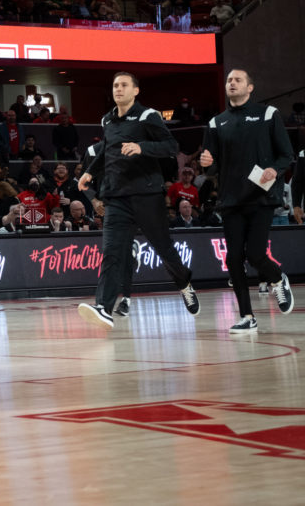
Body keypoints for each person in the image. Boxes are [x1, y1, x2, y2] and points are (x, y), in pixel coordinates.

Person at [77, 71, 199, 331]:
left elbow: (169, 146)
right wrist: (90, 171)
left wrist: (142, 147)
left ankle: (184, 283)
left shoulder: (147, 116)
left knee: (164, 248)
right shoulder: (107, 119)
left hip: (147, 195)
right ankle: (104, 308)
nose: (118, 89)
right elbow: (107, 152)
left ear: (135, 91)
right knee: (111, 252)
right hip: (116, 197)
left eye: (123, 85)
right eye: (115, 85)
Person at [201, 69, 294, 332]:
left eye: (237, 80)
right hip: (231, 200)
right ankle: (247, 317)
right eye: (229, 80)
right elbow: (211, 166)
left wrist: (275, 169)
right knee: (232, 259)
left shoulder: (268, 114)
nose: (231, 83)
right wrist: (207, 162)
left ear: (250, 87)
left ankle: (278, 279)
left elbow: (286, 154)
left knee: (254, 254)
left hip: (261, 197)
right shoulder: (216, 123)